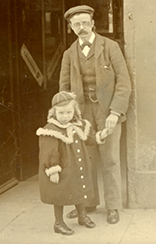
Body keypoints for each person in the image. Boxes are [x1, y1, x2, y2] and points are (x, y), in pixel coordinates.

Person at [59, 5, 131, 224]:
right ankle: (89, 203)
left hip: (107, 111)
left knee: (110, 159)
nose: (81, 27)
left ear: (92, 24)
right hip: (82, 114)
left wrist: (115, 112)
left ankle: (113, 206)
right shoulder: (69, 54)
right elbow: (64, 87)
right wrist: (69, 116)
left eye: (85, 23)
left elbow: (124, 82)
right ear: (71, 27)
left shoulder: (110, 47)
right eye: (76, 24)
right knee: (85, 160)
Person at [36, 91, 109, 235]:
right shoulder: (51, 130)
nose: (65, 116)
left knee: (79, 190)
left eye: (68, 112)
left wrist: (100, 136)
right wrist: (53, 169)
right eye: (61, 113)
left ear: (74, 111)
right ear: (53, 113)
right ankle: (58, 222)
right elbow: (49, 152)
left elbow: (88, 139)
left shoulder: (79, 125)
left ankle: (82, 216)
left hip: (77, 167)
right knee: (60, 194)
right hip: (63, 169)